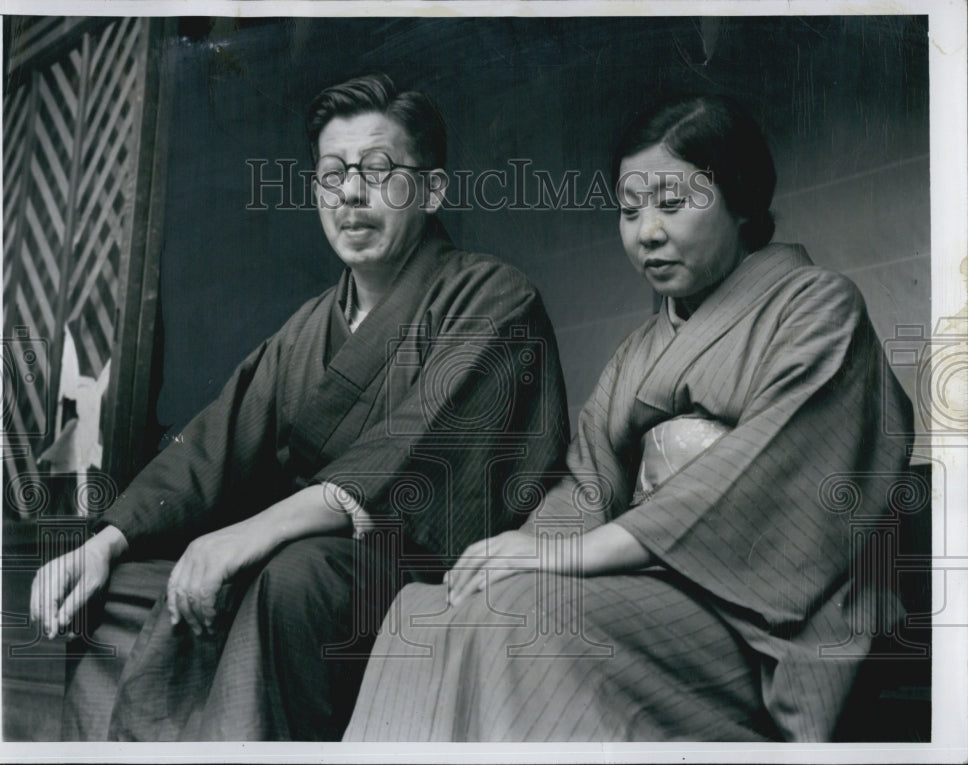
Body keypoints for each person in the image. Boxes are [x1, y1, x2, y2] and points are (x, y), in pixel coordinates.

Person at [342, 95, 914, 743]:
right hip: (645, 582)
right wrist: (521, 551)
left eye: (671, 204)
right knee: (429, 610)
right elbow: (587, 485)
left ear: (743, 199)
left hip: (759, 615)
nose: (646, 231)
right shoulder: (637, 352)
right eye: (629, 209)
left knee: (525, 612)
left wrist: (575, 556)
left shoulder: (818, 307)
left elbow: (768, 471)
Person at [29, 73, 570, 741]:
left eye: (378, 169)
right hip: (301, 553)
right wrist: (106, 539)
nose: (350, 193)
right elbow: (211, 444)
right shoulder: (309, 327)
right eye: (332, 173)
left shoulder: (493, 295)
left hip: (419, 562)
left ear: (432, 189)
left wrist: (253, 532)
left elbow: (414, 446)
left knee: (294, 576)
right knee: (113, 590)